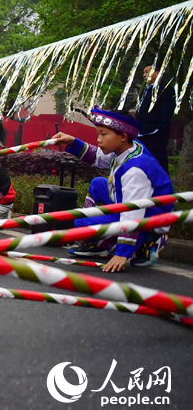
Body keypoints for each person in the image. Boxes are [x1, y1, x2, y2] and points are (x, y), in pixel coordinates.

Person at [51, 108, 174, 272]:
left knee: (81, 223)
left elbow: (132, 214)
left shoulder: (135, 171)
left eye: (103, 134)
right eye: (98, 134)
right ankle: (96, 239)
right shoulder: (128, 147)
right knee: (98, 184)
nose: (98, 139)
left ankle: (149, 240)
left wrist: (122, 254)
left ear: (123, 136)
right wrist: (72, 141)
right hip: (127, 202)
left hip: (149, 217)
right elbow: (97, 158)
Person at [136, 65, 175, 174]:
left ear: (157, 73)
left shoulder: (165, 90)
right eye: (143, 72)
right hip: (142, 132)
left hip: (154, 134)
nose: (144, 75)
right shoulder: (145, 90)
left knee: (157, 161)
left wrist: (158, 130)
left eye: (147, 72)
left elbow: (166, 114)